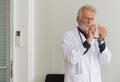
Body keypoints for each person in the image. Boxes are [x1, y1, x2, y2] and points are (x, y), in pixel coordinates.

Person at [61, 4, 112, 82]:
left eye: (92, 19)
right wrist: (88, 40)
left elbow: (106, 59)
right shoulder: (68, 36)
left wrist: (101, 41)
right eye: (87, 18)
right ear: (78, 19)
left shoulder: (97, 37)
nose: (89, 22)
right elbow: (71, 58)